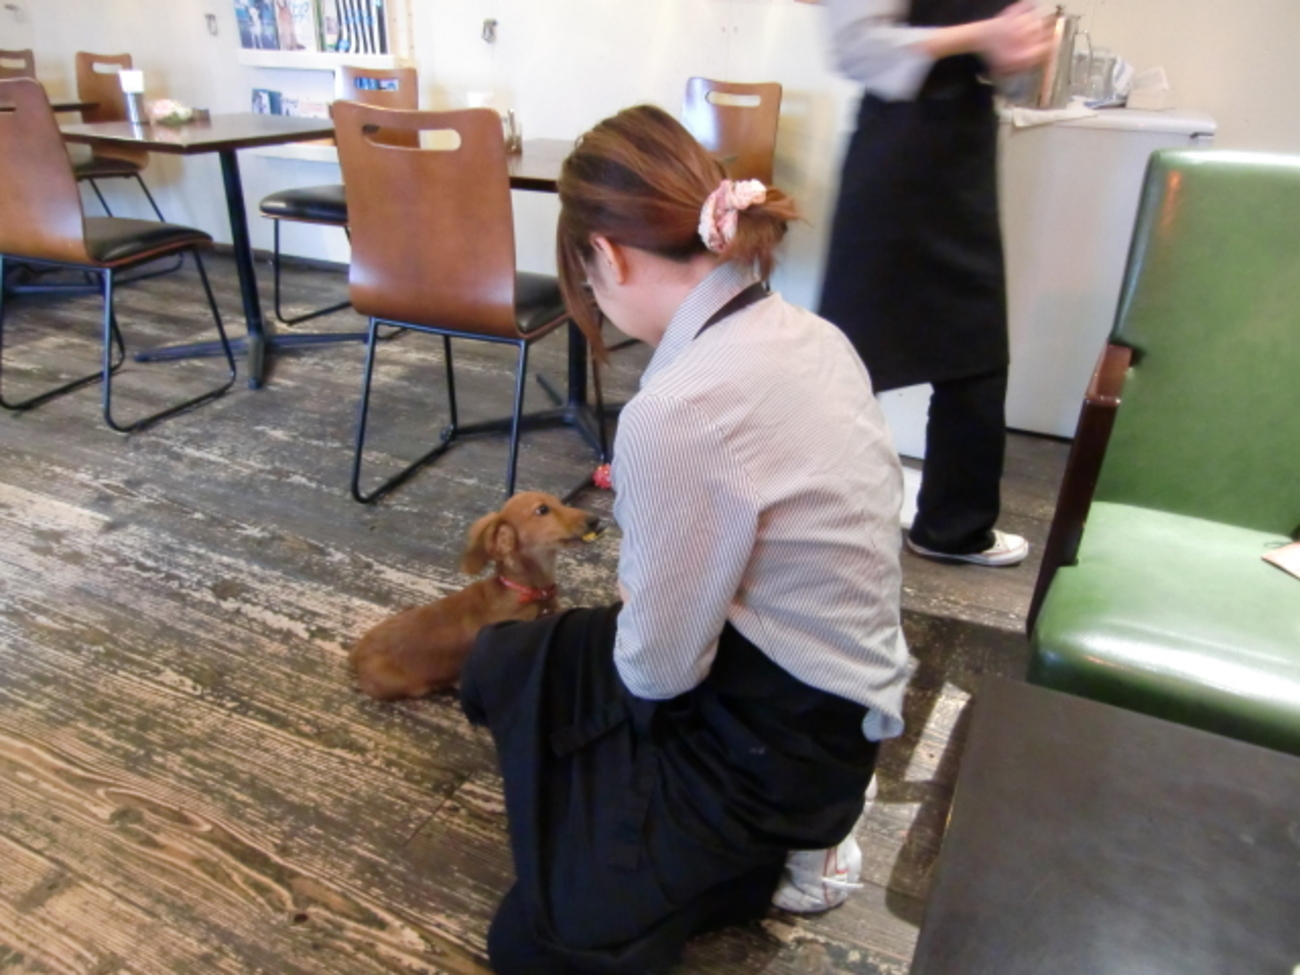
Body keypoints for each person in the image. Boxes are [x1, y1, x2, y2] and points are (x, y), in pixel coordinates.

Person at [458, 104, 911, 974]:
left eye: (585, 275)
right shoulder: (812, 333)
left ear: (608, 253)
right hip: (839, 694)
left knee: (536, 942)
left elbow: (659, 671)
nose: (593, 295)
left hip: (776, 734)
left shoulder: (676, 410)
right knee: (504, 661)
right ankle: (734, 849)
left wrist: (642, 597)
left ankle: (766, 850)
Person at [818, 0, 1053, 566]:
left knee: (976, 349)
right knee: (853, 351)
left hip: (965, 146)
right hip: (896, 149)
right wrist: (985, 33)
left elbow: (1010, 71)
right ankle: (814, 516)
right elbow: (856, 48)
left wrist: (1015, 55)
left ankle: (952, 528)